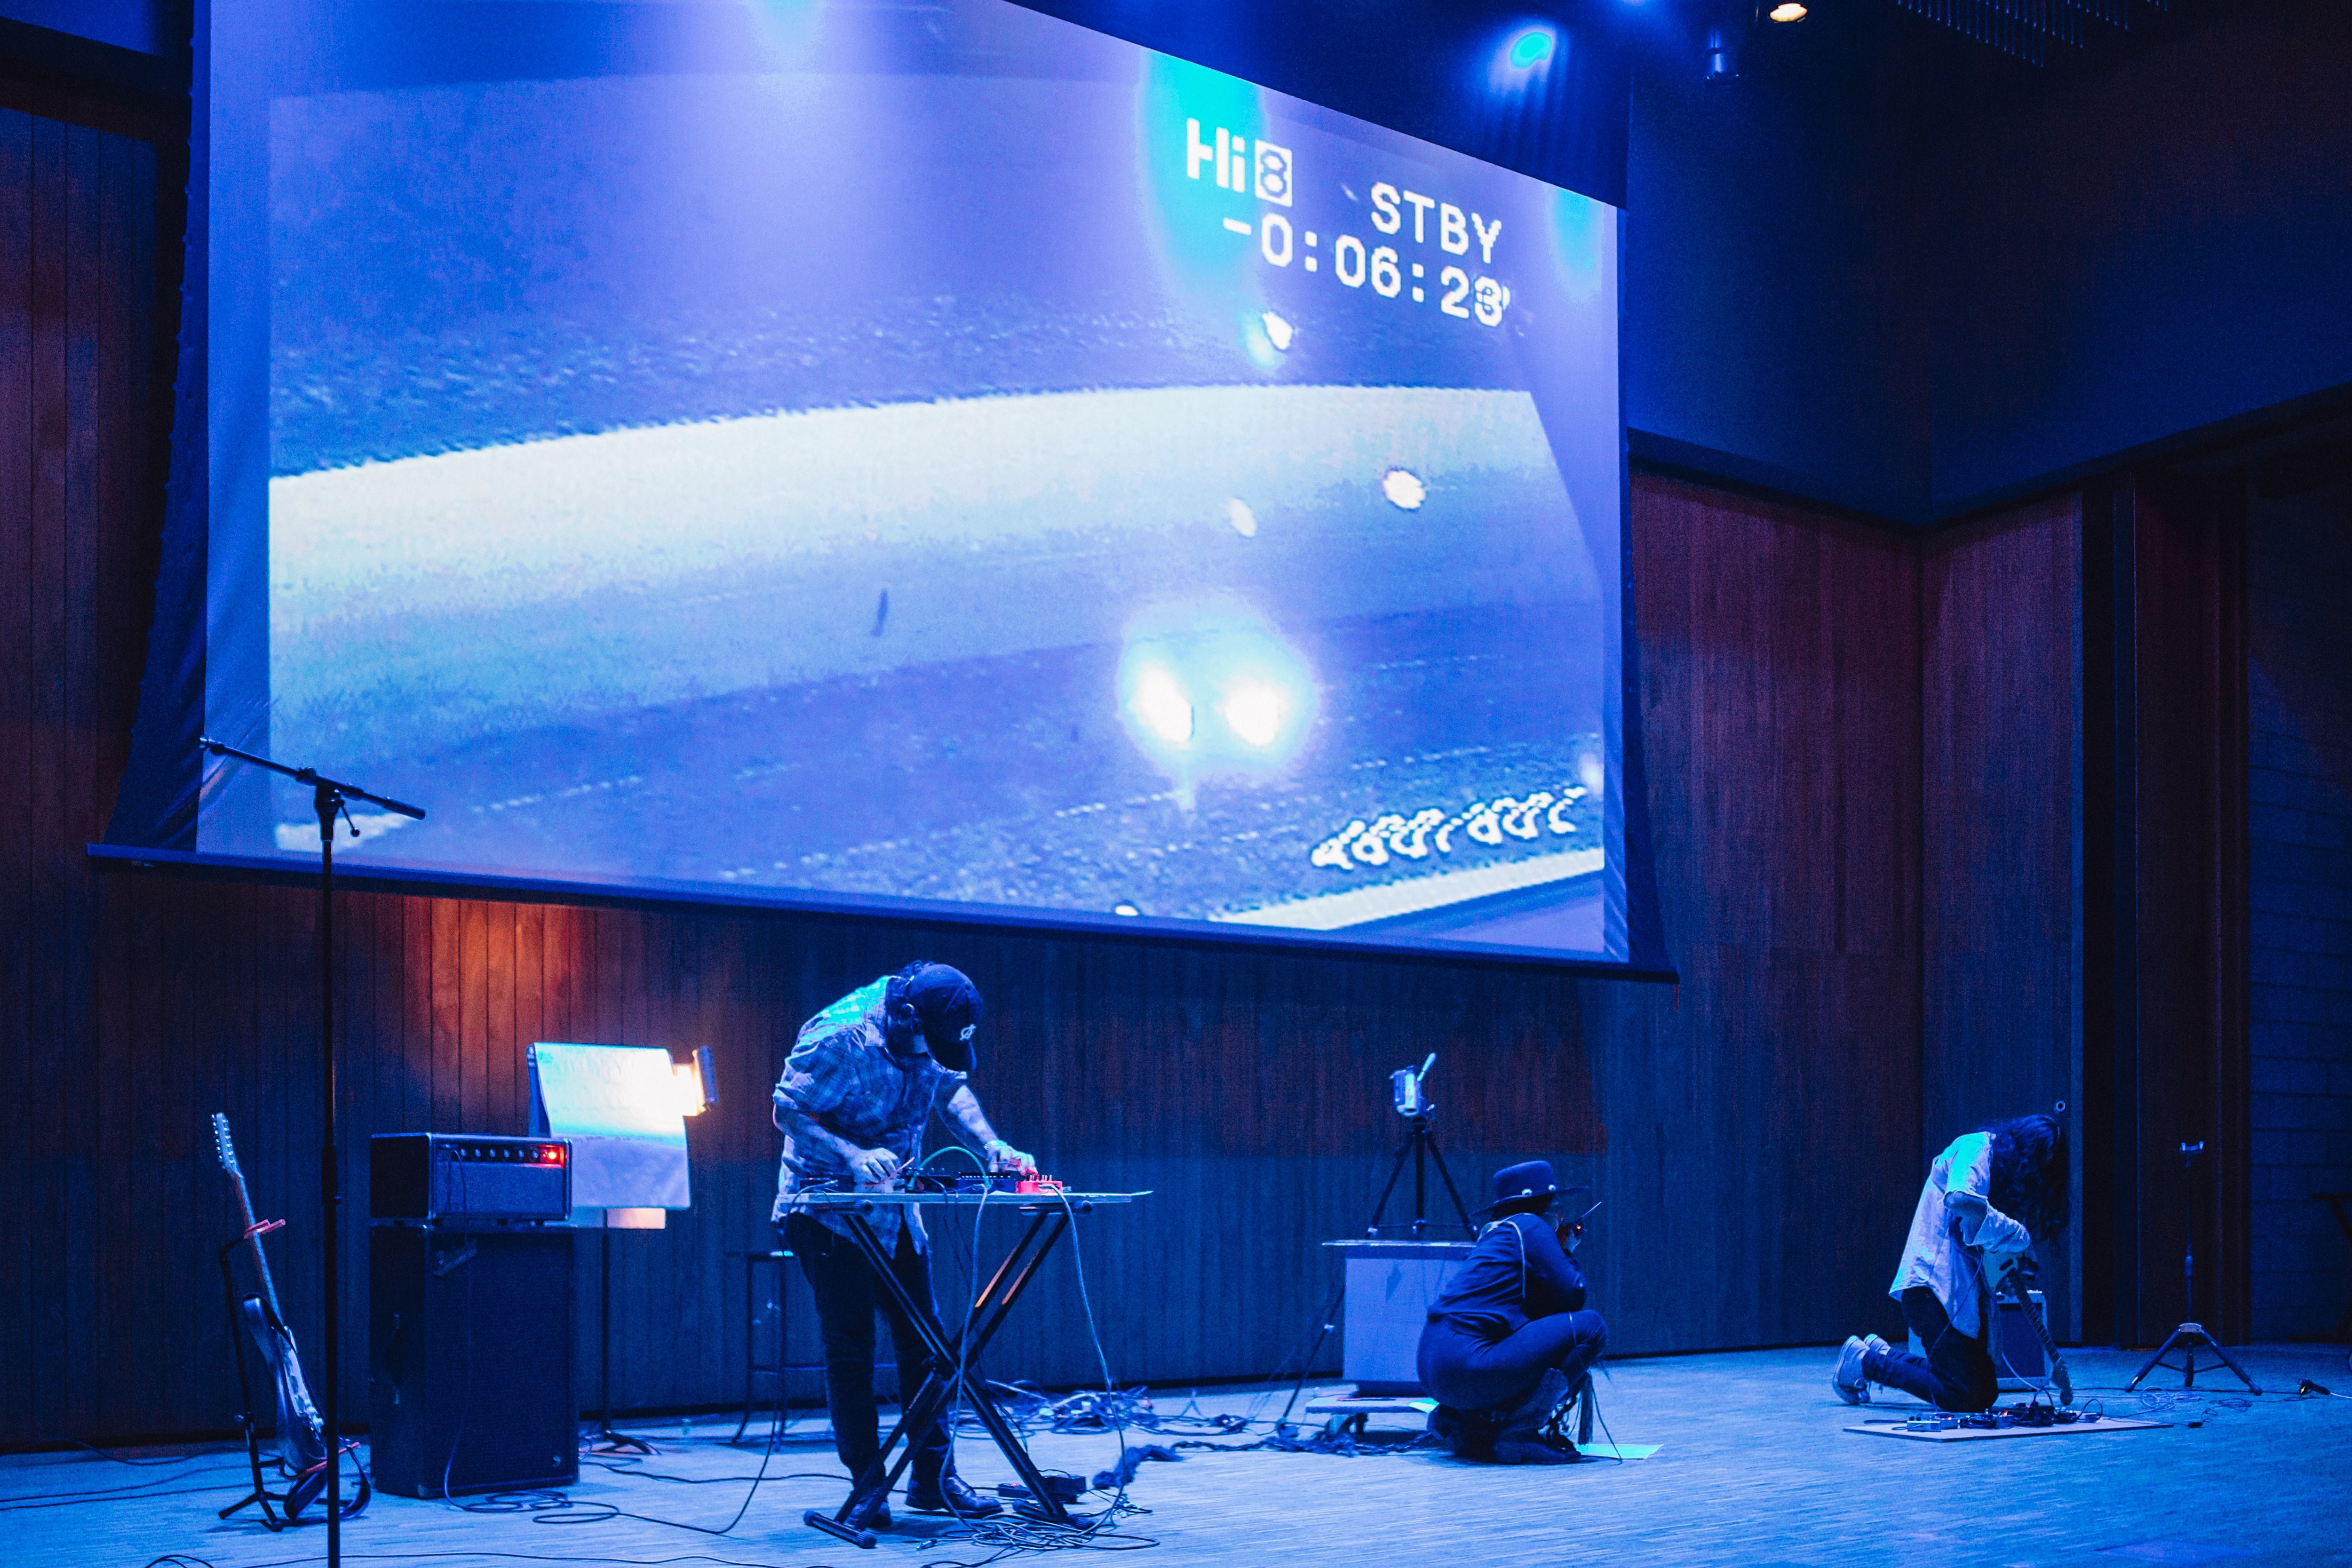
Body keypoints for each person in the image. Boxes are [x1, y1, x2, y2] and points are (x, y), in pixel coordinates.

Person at [773, 961, 1038, 1529]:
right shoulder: (839, 1036)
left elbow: (952, 1090)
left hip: (897, 1211)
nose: (935, 1053)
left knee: (927, 1348)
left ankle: (932, 1481)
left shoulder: (929, 1029)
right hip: (827, 1211)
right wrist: (851, 1154)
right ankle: (868, 1488)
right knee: (852, 1350)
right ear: (905, 1015)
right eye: (932, 1042)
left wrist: (994, 1145)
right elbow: (787, 1109)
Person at [1833, 1113, 2070, 1412]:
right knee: (1962, 1394)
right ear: (2022, 1150)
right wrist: (2018, 1235)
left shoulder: (1998, 1177)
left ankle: (1885, 1356)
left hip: (1959, 1297)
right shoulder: (1975, 1149)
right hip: (1930, 1289)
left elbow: (1976, 1237)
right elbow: (1960, 1200)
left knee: (1983, 1391)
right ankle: (1866, 1362)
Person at [1417, 1160, 1609, 1464]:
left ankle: (1463, 1422)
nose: (1560, 1216)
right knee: (1592, 1328)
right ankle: (1521, 1432)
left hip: (1432, 1371)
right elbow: (1574, 1294)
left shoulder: (1494, 1235)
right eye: (1555, 1206)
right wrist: (1566, 1250)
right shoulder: (1530, 1225)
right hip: (1467, 1364)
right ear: (1540, 1205)